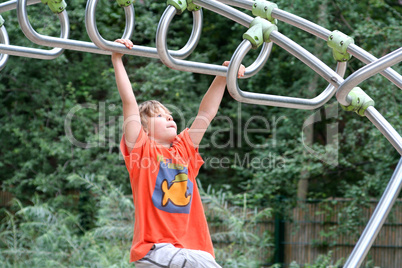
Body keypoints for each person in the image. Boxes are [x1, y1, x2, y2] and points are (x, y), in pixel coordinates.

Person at [112, 38, 245, 267]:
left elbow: (207, 112)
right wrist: (117, 59)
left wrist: (223, 75)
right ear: (144, 129)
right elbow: (129, 103)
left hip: (191, 250)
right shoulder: (141, 151)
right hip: (157, 251)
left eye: (169, 114)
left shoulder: (184, 151)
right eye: (160, 116)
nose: (169, 117)